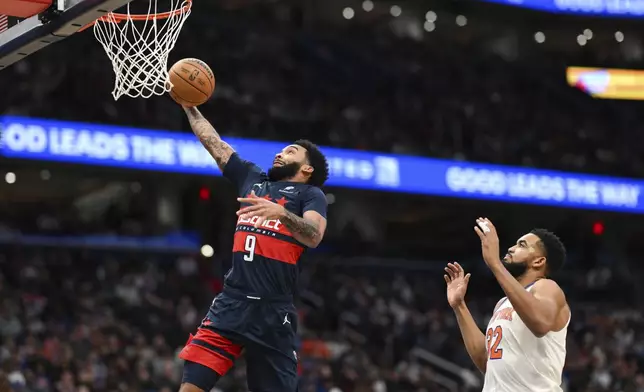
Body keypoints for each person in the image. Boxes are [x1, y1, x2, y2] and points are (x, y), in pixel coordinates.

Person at [177, 106, 329, 392]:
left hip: (273, 312)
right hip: (230, 303)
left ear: (307, 169)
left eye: (291, 151)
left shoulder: (311, 195)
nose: (280, 154)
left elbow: (314, 236)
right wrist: (190, 107)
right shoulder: (252, 179)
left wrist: (282, 214)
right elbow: (215, 144)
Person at [445, 218, 570, 392]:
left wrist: (495, 264)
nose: (511, 248)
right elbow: (486, 360)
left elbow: (540, 323)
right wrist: (459, 306)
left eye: (522, 245)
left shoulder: (547, 287)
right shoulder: (503, 303)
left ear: (538, 262)